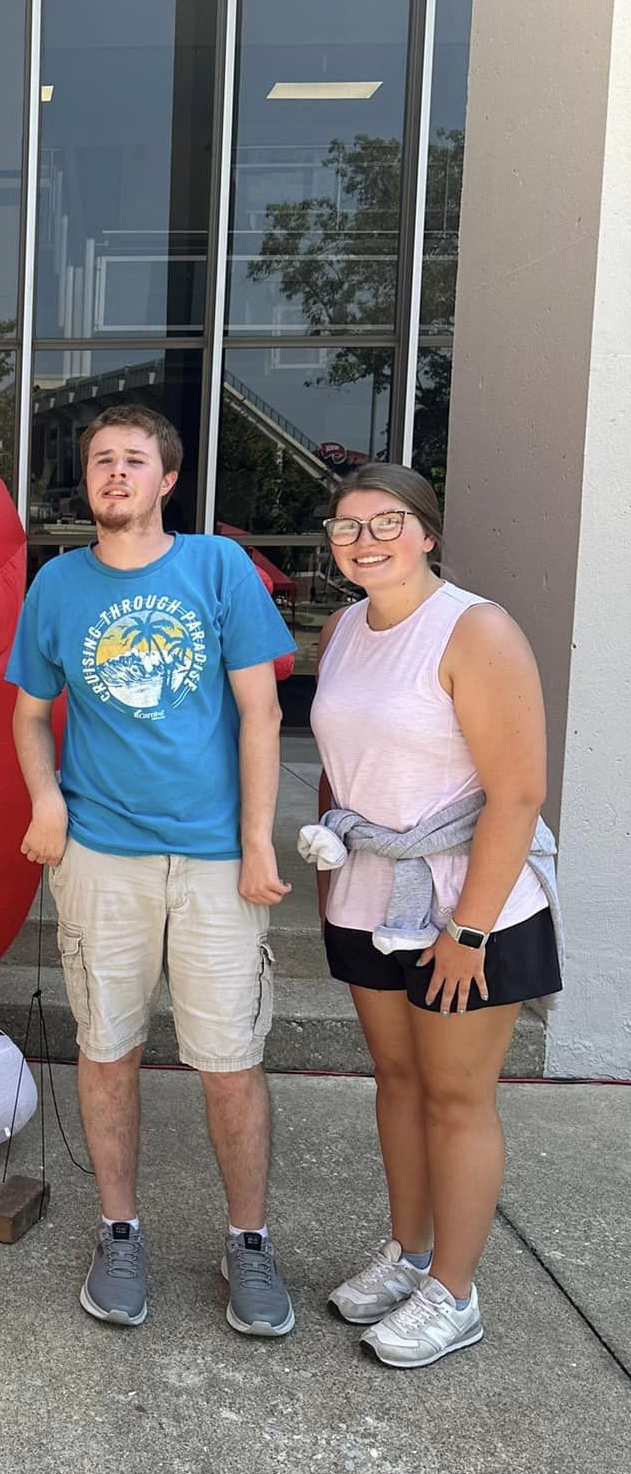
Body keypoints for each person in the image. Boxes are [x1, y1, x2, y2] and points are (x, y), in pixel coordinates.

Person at [8, 405, 299, 1338]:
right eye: (102, 461)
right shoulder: (57, 584)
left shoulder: (215, 567)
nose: (117, 474)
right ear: (87, 481)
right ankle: (119, 1230)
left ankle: (247, 1242)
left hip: (215, 860)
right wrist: (47, 802)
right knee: (107, 1051)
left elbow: (262, 712)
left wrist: (259, 841)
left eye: (135, 461)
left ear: (167, 480)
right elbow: (27, 713)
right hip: (102, 854)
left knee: (230, 1063)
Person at [307, 464, 560, 1369]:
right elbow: (344, 766)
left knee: (456, 1097)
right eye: (345, 527)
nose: (364, 540)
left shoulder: (475, 629)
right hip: (372, 893)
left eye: (386, 522)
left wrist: (471, 929)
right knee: (398, 1082)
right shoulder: (341, 629)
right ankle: (408, 1252)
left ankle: (456, 1290)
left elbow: (519, 791)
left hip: (466, 906)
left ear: (427, 532)